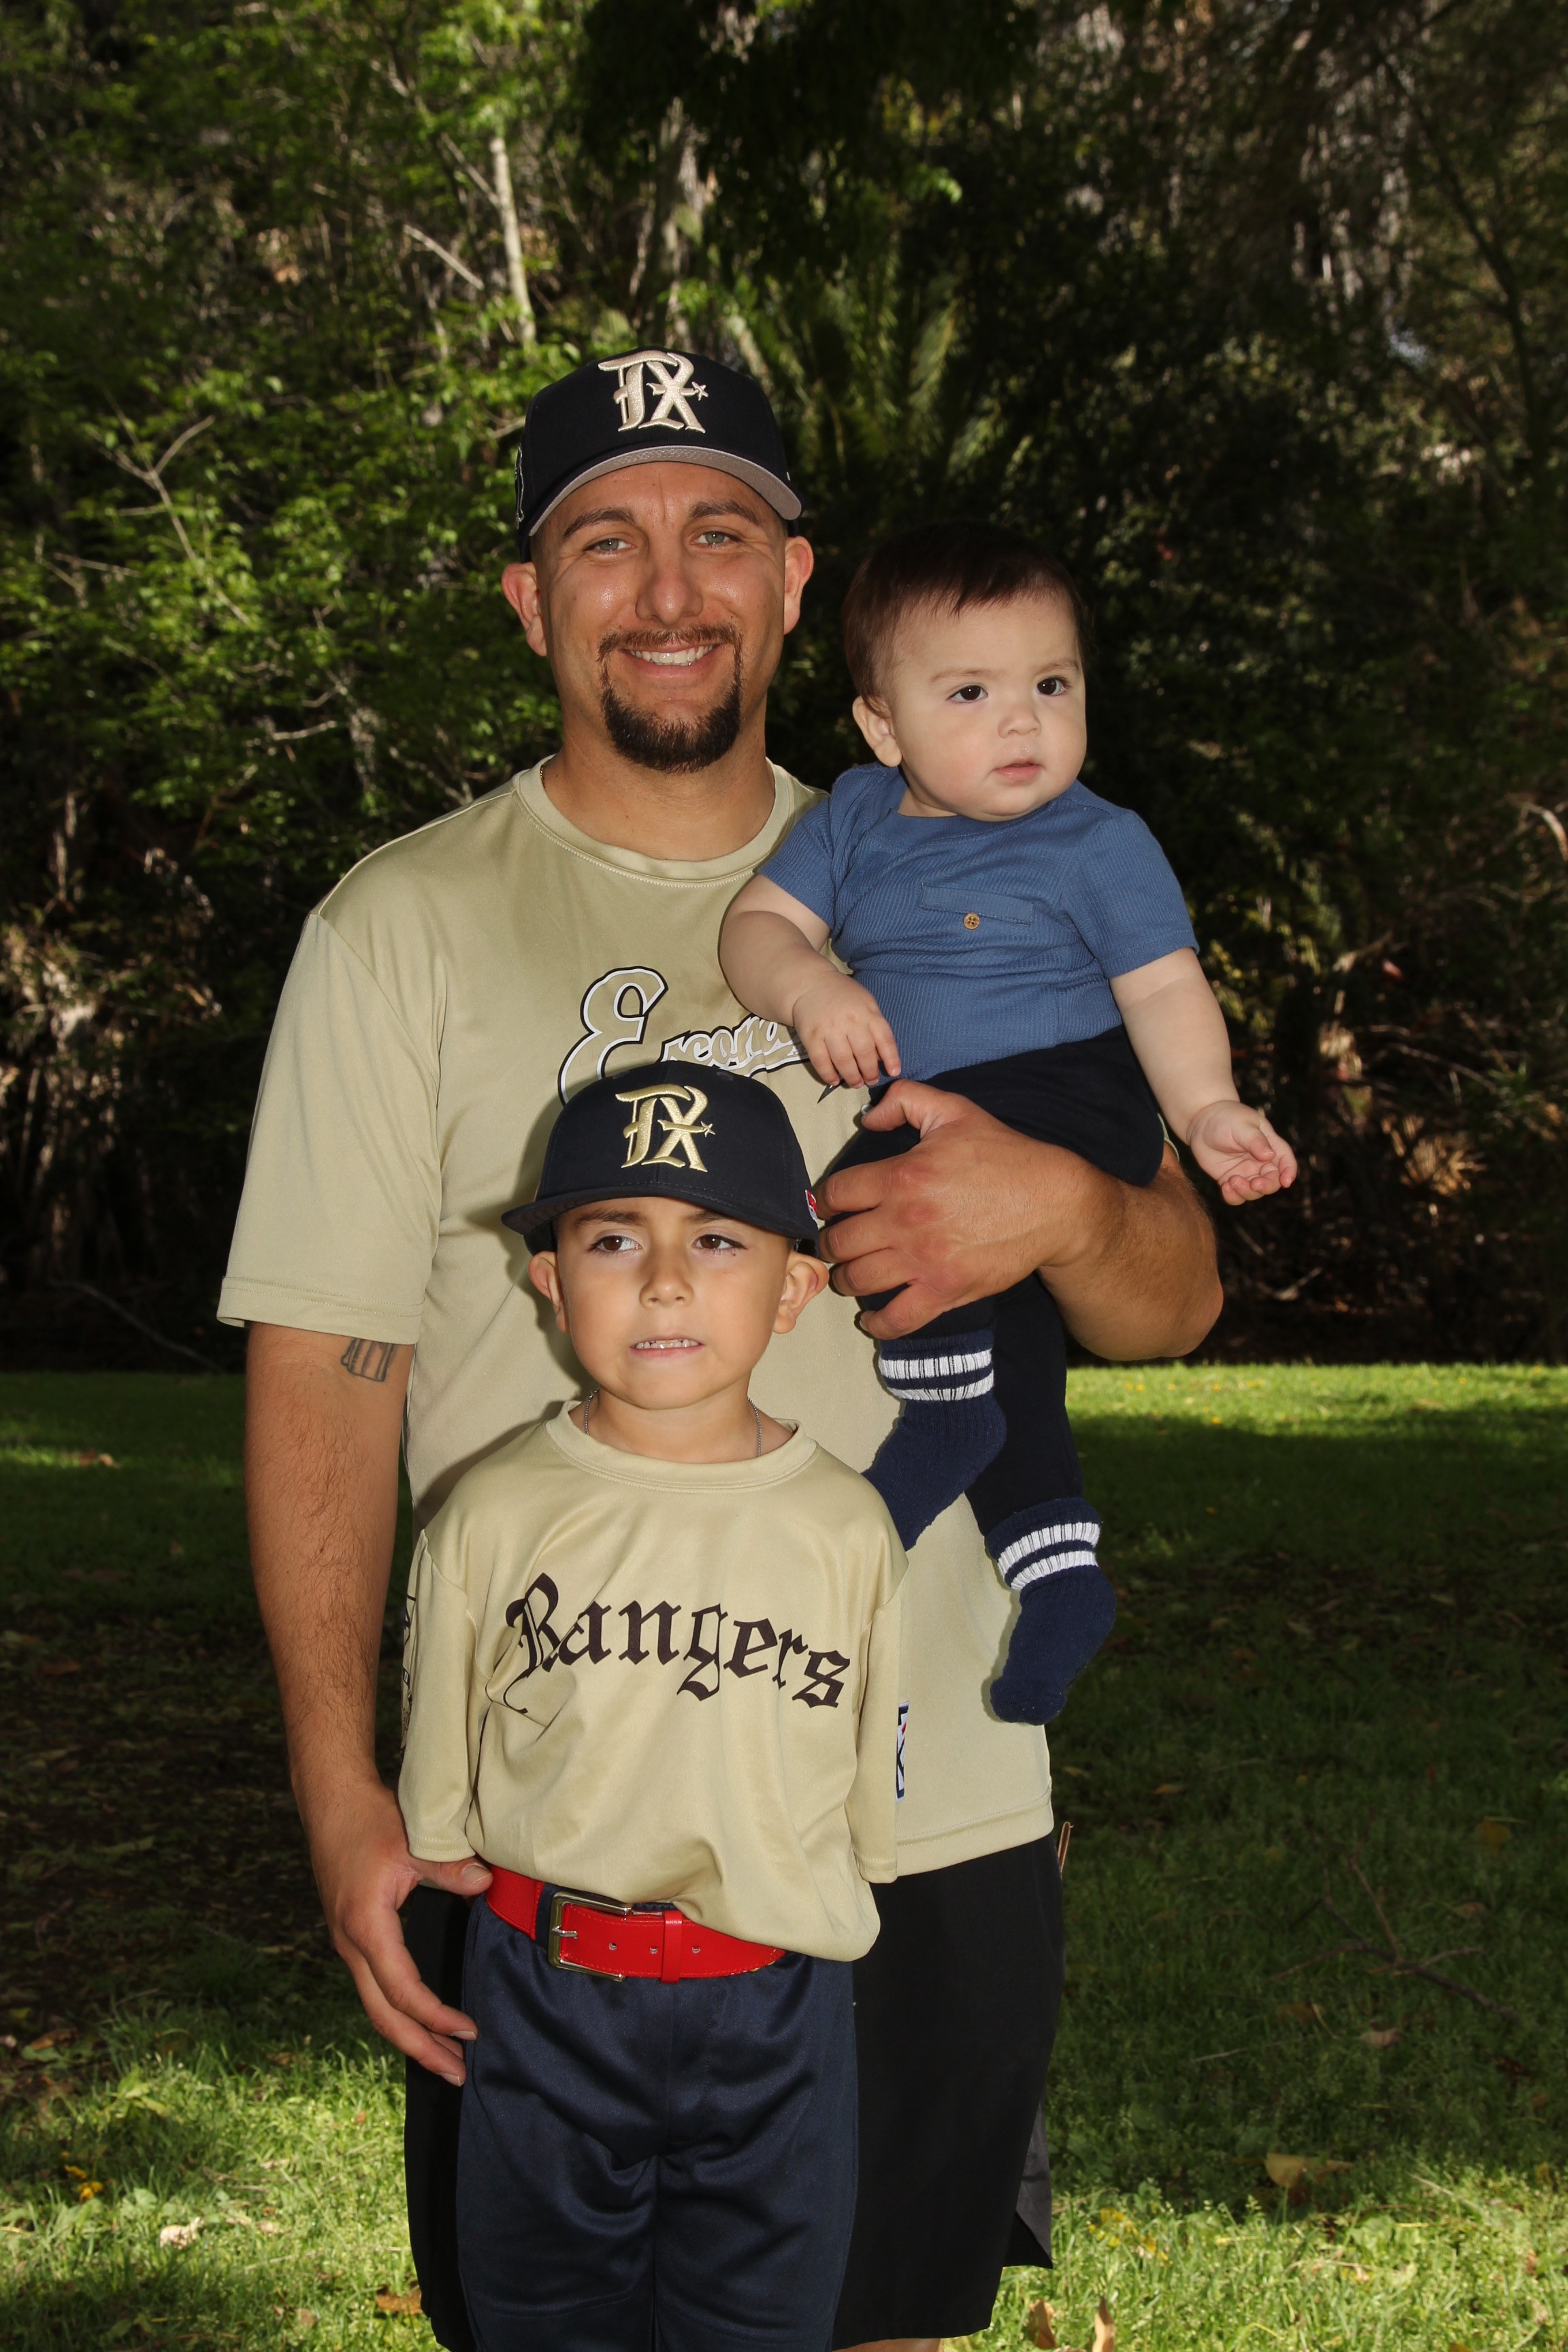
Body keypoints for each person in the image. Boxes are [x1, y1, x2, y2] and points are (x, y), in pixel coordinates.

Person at [222, 344, 1222, 2352]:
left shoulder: (995, 860)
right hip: (553, 1831)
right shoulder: (401, 928)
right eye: (606, 540)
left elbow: (1176, 1301)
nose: (668, 588)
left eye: (722, 533)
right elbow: (329, 1374)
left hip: (923, 1804)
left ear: (795, 585)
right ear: (533, 599)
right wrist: (342, 1785)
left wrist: (1065, 1207)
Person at [721, 521, 1295, 1726]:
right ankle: (1060, 1569)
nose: (1023, 722)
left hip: (1070, 1091)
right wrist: (811, 989)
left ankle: (941, 1423)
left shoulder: (1098, 838)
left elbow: (1164, 990)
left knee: (876, 1191)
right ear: (884, 725)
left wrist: (1205, 1110)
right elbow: (756, 929)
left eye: (1052, 685)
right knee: (1006, 1334)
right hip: (953, 1111)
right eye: (971, 693)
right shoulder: (854, 819)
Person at [398, 1065, 903, 2350]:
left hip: (775, 2002)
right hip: (547, 1992)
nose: (665, 1281)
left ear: (794, 1289)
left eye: (718, 1240)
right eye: (614, 1238)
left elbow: (869, 1786)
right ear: (551, 1280)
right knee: (541, 2321)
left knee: (763, 2325)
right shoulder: (494, 1512)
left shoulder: (845, 1524)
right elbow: (441, 1788)